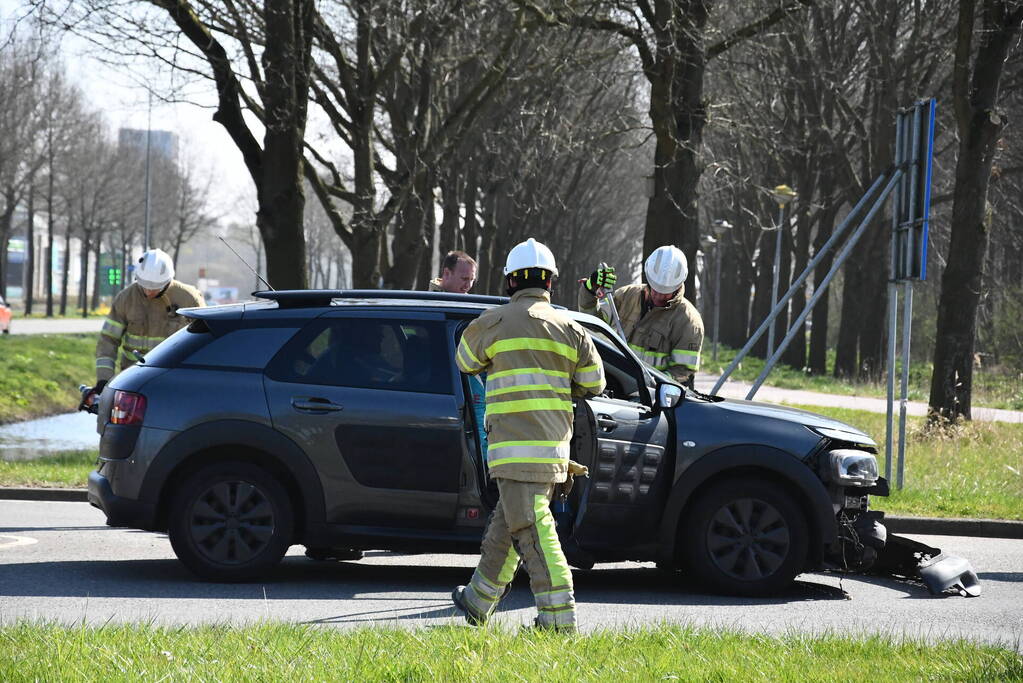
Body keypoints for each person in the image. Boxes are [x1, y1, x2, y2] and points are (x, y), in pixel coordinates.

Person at [451, 237, 605, 632]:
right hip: (552, 452)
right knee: (507, 525)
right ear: (550, 282)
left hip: (511, 451)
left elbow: (465, 360)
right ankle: (478, 599)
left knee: (533, 531)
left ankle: (558, 620)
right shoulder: (572, 328)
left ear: (510, 282)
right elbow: (595, 382)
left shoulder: (493, 323)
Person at [579, 245, 704, 387]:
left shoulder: (689, 321)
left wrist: (657, 386)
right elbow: (592, 325)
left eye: (666, 292)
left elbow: (682, 371)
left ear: (678, 285)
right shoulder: (626, 296)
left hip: (651, 395)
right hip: (611, 384)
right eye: (655, 289)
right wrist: (590, 289)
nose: (659, 296)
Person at [89, 249, 204, 401]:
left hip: (174, 381)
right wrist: (104, 380)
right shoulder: (126, 299)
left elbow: (205, 343)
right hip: (132, 380)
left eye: (155, 287)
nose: (149, 291)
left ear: (168, 280)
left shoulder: (189, 299)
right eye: (144, 285)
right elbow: (108, 341)